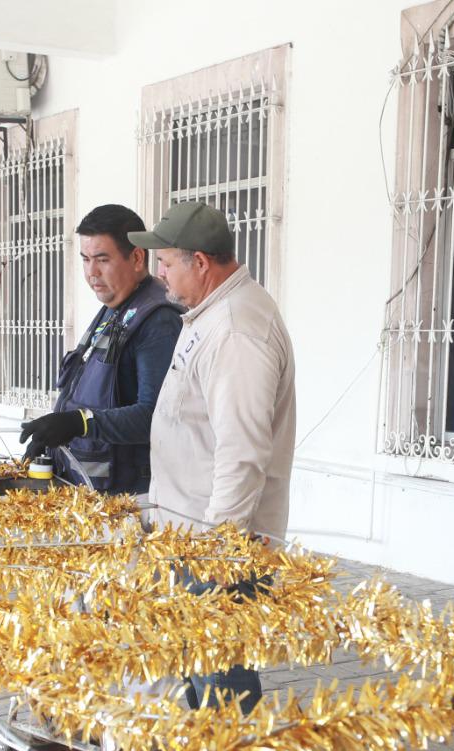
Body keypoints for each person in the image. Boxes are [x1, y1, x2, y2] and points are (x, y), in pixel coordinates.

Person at [129, 201, 296, 712]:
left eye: (166, 262)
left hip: (214, 542)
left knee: (219, 674)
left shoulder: (235, 331)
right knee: (196, 667)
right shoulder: (213, 313)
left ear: (200, 262)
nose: (158, 273)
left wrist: (219, 551)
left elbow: (242, 451)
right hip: (189, 530)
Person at [17, 204, 182, 494]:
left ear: (137, 257)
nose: (91, 272)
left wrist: (78, 423)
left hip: (131, 500)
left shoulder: (158, 320)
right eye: (85, 259)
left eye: (102, 259)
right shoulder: (115, 306)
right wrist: (54, 433)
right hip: (89, 491)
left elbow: (155, 416)